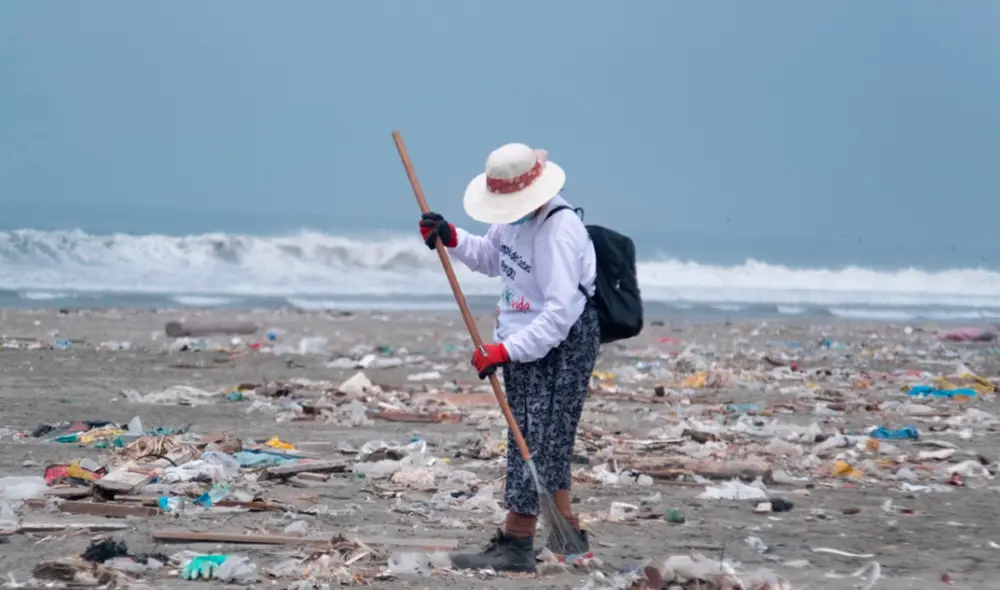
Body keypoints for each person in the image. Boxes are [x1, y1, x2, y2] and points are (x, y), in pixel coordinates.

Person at [418, 142, 599, 573]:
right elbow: (492, 258)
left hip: (563, 342)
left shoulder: (557, 231)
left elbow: (559, 314)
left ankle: (517, 542)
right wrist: (451, 236)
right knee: (536, 436)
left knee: (538, 441)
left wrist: (505, 351)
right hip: (523, 334)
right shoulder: (515, 222)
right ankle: (568, 538)